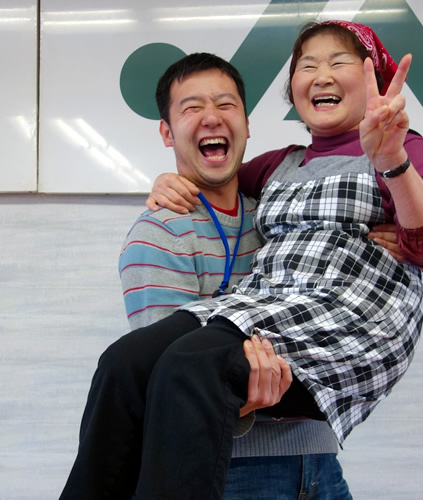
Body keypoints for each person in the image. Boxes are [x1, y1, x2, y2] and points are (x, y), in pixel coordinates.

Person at [64, 20, 423, 499]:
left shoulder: (403, 148)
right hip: (274, 308)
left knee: (189, 365)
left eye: (338, 62)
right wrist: (167, 181)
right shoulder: (282, 164)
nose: (321, 75)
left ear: (372, 80)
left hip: (351, 314)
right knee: (123, 363)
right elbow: (218, 177)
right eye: (307, 66)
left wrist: (393, 162)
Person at [61, 52, 356, 499]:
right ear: (167, 131)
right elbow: (167, 383)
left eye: (226, 104)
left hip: (321, 462)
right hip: (231, 472)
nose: (212, 117)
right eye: (192, 107)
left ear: (248, 124)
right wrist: (245, 395)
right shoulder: (161, 232)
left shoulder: (285, 215)